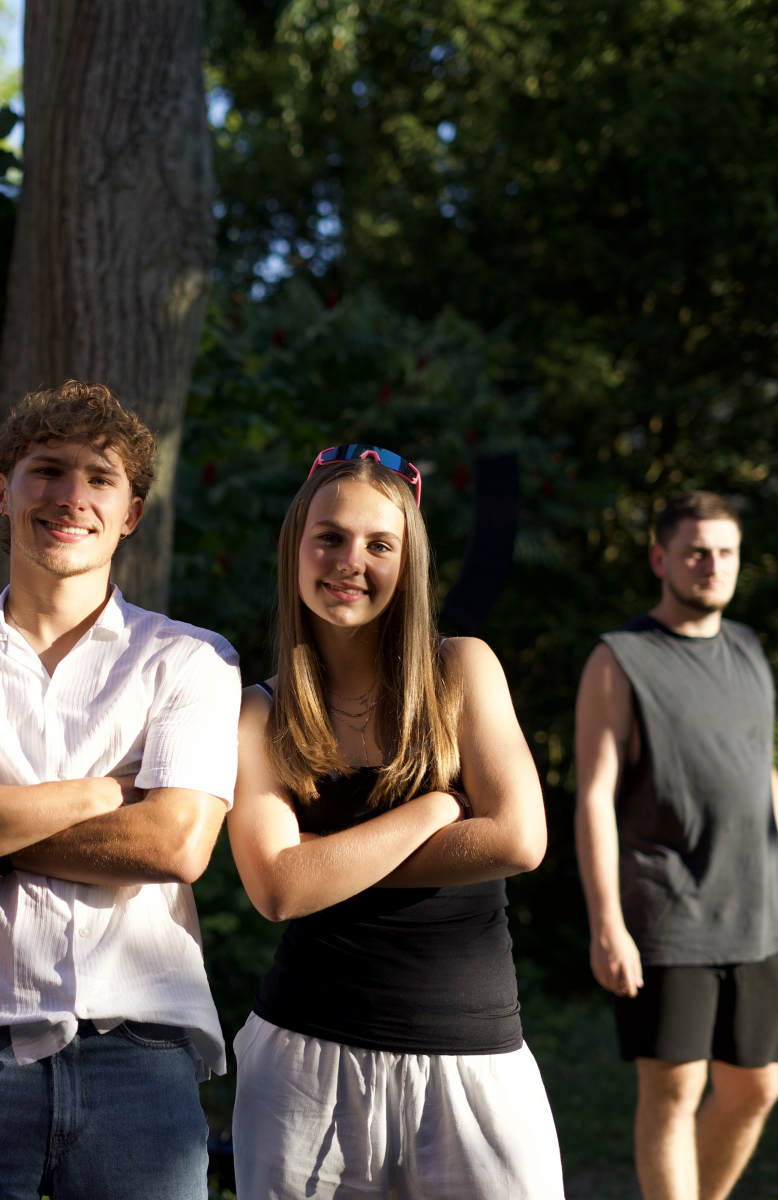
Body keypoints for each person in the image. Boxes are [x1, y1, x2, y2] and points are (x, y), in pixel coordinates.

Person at [0, 381, 241, 1200]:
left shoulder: (191, 659)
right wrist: (104, 794)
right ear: (3, 493)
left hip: (139, 1044)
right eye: (48, 471)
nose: (72, 496)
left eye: (100, 478)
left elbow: (175, 843)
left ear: (131, 513)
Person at [226, 444, 561, 1200]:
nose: (352, 560)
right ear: (296, 547)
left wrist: (329, 860)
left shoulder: (462, 669)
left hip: (474, 1062)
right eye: (330, 537)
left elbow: (519, 838)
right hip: (304, 1067)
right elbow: (278, 888)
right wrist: (437, 808)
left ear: (409, 564)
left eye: (380, 544)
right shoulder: (260, 712)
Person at [574, 491, 778, 1200]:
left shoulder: (749, 648)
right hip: (670, 906)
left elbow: (764, 769)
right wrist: (607, 923)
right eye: (697, 552)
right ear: (660, 558)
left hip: (760, 910)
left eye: (726, 552)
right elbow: (594, 797)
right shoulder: (620, 658)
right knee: (675, 1090)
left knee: (758, 1087)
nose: (713, 565)